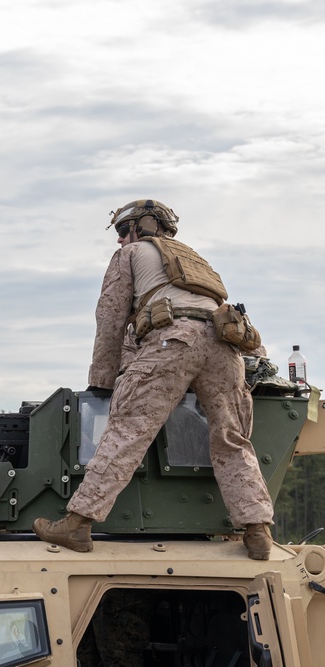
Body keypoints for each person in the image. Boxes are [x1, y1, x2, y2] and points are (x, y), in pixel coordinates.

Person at [33, 199, 275, 560]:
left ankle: (78, 523)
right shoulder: (194, 260)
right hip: (225, 348)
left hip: (173, 339)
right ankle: (257, 531)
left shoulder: (131, 253)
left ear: (143, 225)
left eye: (121, 230)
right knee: (231, 438)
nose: (118, 240)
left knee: (129, 430)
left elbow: (111, 316)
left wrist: (102, 379)